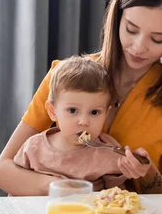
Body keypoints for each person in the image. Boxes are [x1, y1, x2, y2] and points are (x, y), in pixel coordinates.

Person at [0, 0, 162, 196]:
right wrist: (63, 188)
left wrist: (148, 173)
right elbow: (0, 171)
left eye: (157, 39)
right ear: (118, 18)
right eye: (131, 30)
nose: (139, 47)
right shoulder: (64, 75)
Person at [13, 55, 136, 189]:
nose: (83, 121)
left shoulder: (109, 152)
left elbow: (117, 199)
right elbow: (16, 196)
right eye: (72, 110)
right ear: (53, 111)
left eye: (94, 112)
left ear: (106, 114)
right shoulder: (33, 148)